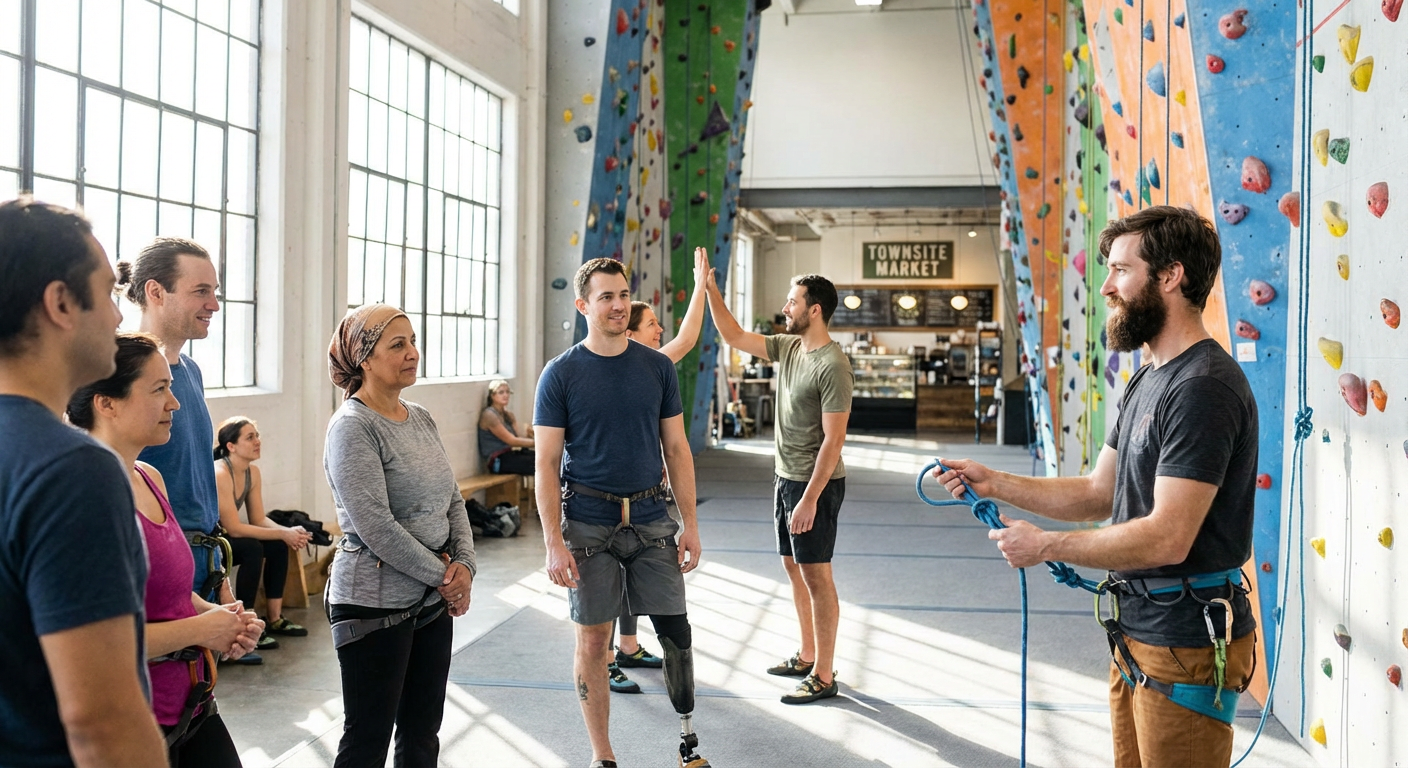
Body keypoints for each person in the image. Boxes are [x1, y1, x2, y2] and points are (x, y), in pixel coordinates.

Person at [931, 206, 1257, 767]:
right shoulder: (1149, 377)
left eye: (1121, 271)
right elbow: (1096, 492)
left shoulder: (1202, 388)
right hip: (1138, 629)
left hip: (1185, 638)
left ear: (1170, 276)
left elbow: (1167, 538)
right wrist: (995, 481)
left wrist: (1048, 546)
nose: (1106, 287)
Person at [0, 197, 167, 766]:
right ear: (61, 302)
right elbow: (102, 721)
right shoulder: (72, 470)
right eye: (110, 293)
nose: (120, 318)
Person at [535, 257, 709, 768]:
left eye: (623, 295)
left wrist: (691, 524)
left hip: (654, 516)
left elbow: (676, 449)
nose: (617, 305)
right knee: (593, 638)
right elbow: (546, 463)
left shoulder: (655, 367)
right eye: (606, 296)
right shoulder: (560, 374)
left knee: (675, 629)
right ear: (583, 304)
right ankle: (603, 755)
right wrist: (552, 541)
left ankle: (687, 739)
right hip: (589, 520)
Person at [68, 331, 263, 767]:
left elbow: (173, 594)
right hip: (131, 727)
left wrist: (218, 617)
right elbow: (97, 643)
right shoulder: (83, 498)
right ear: (107, 403)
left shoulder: (150, 478)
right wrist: (201, 632)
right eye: (159, 390)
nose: (174, 404)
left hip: (190, 705)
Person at [324, 303, 477, 768]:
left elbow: (451, 497)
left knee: (422, 730)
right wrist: (444, 576)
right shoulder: (353, 427)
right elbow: (376, 527)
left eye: (412, 341)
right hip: (375, 602)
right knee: (368, 737)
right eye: (398, 344)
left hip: (431, 599)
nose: (413, 352)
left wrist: (465, 565)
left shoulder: (420, 416)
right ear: (365, 359)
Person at [706, 268, 853, 705]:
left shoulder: (833, 365)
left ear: (815, 310)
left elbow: (834, 440)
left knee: (817, 575)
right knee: (793, 566)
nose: (785, 308)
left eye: (792, 302)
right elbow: (732, 335)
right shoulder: (789, 347)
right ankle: (808, 654)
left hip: (815, 486)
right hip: (785, 478)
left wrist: (809, 499)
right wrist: (709, 289)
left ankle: (824, 674)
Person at [604, 245, 713, 695]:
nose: (659, 331)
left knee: (633, 569)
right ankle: (610, 654)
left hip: (645, 491)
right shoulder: (616, 367)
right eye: (651, 325)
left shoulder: (652, 368)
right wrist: (701, 287)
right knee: (607, 577)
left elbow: (685, 337)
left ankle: (628, 645)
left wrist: (702, 289)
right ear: (630, 330)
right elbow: (686, 339)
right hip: (606, 493)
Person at [127, 238, 234, 611]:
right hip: (155, 565)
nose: (214, 304)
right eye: (201, 291)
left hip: (205, 562)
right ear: (156, 292)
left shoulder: (192, 373)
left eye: (214, 291)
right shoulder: (115, 375)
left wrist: (217, 570)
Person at [214, 416, 314, 651]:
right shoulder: (220, 473)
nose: (257, 441)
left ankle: (274, 618)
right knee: (252, 548)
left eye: (257, 436)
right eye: (250, 437)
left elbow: (258, 518)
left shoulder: (253, 472)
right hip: (213, 540)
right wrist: (282, 532)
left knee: (278, 545)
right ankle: (247, 624)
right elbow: (234, 528)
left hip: (231, 536)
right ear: (231, 446)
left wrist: (287, 531)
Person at [479, 379, 535, 474]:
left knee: (544, 457)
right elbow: (512, 441)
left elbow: (518, 437)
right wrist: (539, 443)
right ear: (492, 395)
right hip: (497, 460)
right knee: (536, 463)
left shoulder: (509, 415)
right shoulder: (489, 415)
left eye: (507, 392)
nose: (505, 395)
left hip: (509, 454)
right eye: (501, 392)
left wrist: (532, 434)